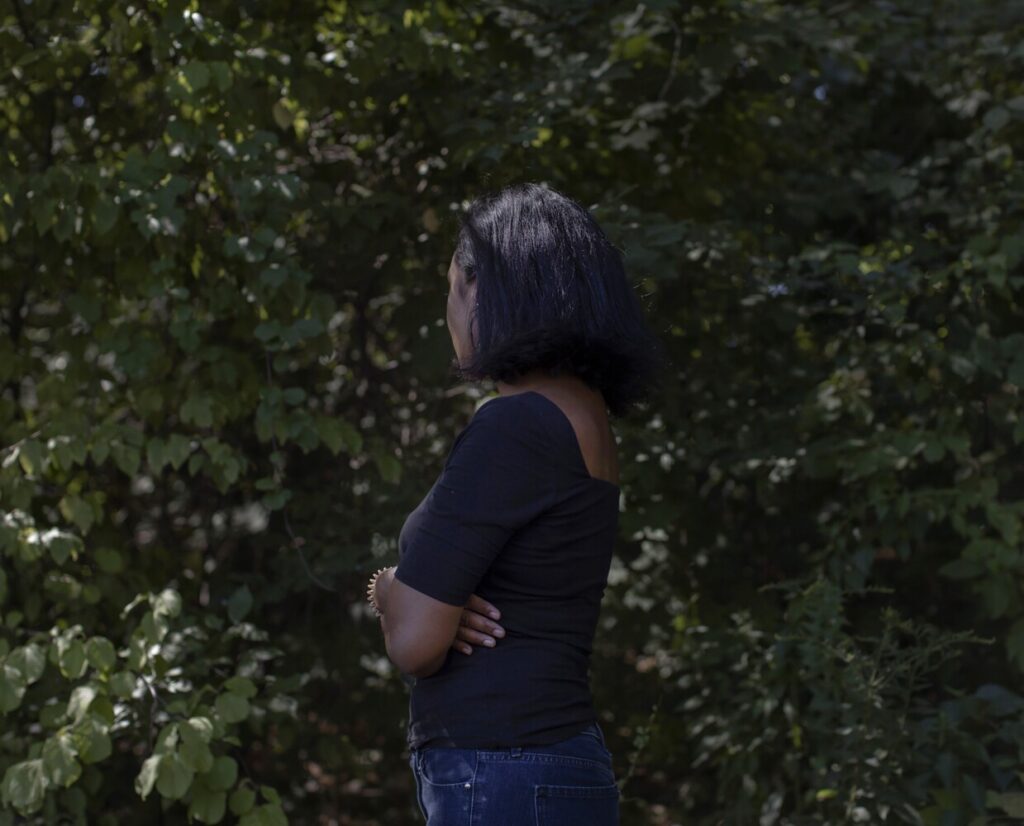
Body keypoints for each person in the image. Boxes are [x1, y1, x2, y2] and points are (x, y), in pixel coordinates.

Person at [365, 182, 667, 825]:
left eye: (452, 288)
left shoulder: (516, 423)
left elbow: (415, 643)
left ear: (488, 290)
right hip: (548, 761)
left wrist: (390, 588)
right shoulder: (580, 413)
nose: (448, 313)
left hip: (500, 770)